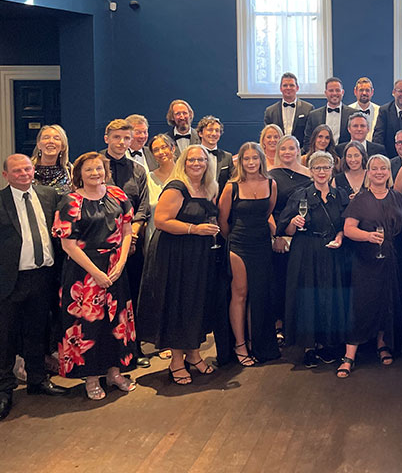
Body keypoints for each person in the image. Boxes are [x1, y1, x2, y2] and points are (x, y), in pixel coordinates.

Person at [53, 152, 137, 400]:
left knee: (116, 322)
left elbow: (127, 232)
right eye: (89, 169)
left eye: (98, 168)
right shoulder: (70, 201)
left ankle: (114, 372)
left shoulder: (118, 195)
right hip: (84, 273)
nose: (95, 173)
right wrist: (96, 273)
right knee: (89, 326)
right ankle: (91, 378)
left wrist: (120, 263)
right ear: (79, 173)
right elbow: (68, 245)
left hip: (115, 268)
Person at [138, 146, 220, 385]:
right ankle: (176, 360)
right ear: (183, 162)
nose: (197, 163)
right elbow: (161, 221)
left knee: (195, 302)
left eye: (201, 159)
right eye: (192, 159)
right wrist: (194, 229)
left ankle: (194, 353)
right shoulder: (176, 187)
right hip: (175, 254)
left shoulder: (208, 187)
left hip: (199, 254)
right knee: (177, 303)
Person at [0, 155, 68, 421]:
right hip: (9, 280)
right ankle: (4, 389)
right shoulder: (1, 200)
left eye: (27, 169)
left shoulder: (48, 195)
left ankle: (38, 380)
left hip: (43, 277)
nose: (24, 174)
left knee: (37, 331)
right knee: (5, 337)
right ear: (6, 175)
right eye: (17, 171)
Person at [278, 151, 349, 369]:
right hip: (306, 250)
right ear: (310, 170)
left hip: (331, 250)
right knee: (308, 297)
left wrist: (340, 236)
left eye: (325, 167)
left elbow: (345, 226)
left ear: (331, 170)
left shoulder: (341, 195)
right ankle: (308, 347)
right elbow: (286, 230)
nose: (321, 172)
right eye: (317, 168)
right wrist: (293, 222)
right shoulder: (300, 195)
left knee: (328, 295)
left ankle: (326, 344)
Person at [340, 155, 402, 377]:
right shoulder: (360, 199)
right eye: (375, 168)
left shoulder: (397, 197)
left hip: (392, 260)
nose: (379, 172)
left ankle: (382, 344)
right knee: (361, 305)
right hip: (365, 261)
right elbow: (349, 229)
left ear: (389, 172)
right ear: (368, 172)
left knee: (387, 302)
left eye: (384, 168)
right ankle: (349, 355)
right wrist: (368, 236)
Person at [218, 142, 279, 366]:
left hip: (262, 244)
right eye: (246, 159)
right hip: (239, 245)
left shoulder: (271, 184)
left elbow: (268, 212)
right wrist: (233, 241)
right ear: (240, 162)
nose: (251, 163)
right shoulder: (231, 187)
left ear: (261, 160)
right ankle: (240, 345)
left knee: (260, 295)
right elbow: (223, 222)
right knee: (240, 294)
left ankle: (259, 343)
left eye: (255, 158)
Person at [100, 119, 151, 368]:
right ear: (107, 138)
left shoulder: (138, 170)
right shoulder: (93, 164)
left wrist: (131, 238)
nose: (122, 143)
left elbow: (142, 208)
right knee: (104, 301)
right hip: (100, 246)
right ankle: (106, 353)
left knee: (133, 296)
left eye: (127, 139)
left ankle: (135, 347)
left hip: (132, 245)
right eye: (117, 137)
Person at [269, 135, 312, 346]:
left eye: (291, 148)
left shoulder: (310, 175)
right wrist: (277, 235)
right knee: (280, 281)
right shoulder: (270, 175)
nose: (287, 152)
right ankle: (279, 325)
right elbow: (266, 210)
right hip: (280, 236)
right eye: (283, 148)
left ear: (298, 150)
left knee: (299, 282)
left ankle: (297, 326)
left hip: (303, 237)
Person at [303, 77, 358, 148]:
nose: (334, 93)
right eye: (331, 90)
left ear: (342, 92)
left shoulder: (353, 114)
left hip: (345, 157)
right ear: (326, 93)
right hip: (320, 156)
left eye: (337, 90)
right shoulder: (314, 115)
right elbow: (308, 141)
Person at [264, 72, 314, 140]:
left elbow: (310, 136)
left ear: (297, 88)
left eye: (291, 85)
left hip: (301, 150)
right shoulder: (270, 111)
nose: (288, 88)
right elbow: (268, 137)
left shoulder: (308, 109)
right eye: (285, 85)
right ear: (280, 88)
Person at [197, 115, 234, 195]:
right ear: (200, 133)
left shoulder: (227, 157)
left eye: (217, 130)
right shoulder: (192, 155)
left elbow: (232, 181)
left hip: (220, 201)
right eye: (210, 130)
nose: (214, 134)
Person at [31, 124, 73, 194]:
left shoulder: (69, 170)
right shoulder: (26, 168)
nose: (51, 141)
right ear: (38, 145)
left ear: (63, 146)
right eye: (46, 138)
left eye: (56, 138)